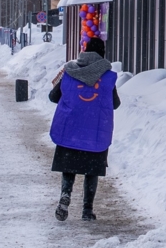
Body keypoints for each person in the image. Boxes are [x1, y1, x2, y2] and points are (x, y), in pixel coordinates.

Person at [47, 37, 120, 222]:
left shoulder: (69, 71)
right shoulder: (107, 76)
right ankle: (87, 210)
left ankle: (65, 196)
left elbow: (53, 96)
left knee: (69, 167)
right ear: (102, 53)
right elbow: (116, 104)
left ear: (85, 51)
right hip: (94, 133)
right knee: (91, 171)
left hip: (71, 129)